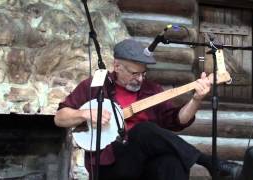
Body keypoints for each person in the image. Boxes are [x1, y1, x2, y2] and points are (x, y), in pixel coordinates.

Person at [54, 39, 242, 180]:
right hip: (110, 166)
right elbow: (60, 118)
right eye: (134, 73)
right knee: (143, 130)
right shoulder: (95, 86)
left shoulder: (152, 90)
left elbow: (177, 120)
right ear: (116, 66)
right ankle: (209, 162)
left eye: (143, 73)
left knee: (172, 162)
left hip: (145, 164)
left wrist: (196, 99)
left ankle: (211, 166)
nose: (140, 79)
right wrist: (84, 114)